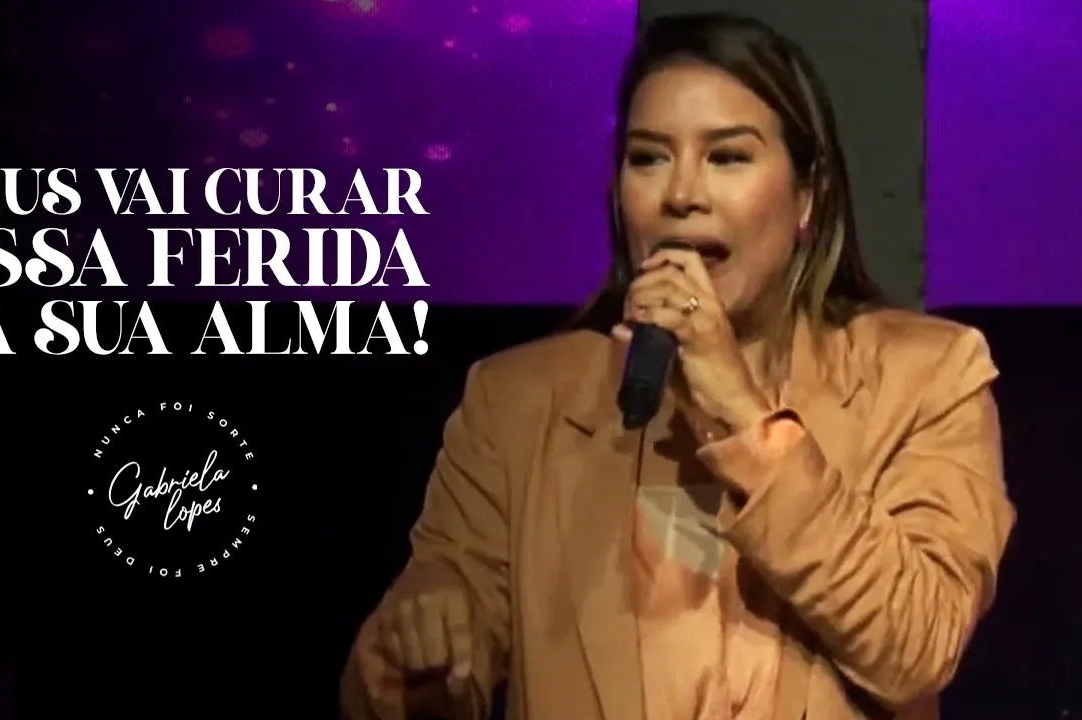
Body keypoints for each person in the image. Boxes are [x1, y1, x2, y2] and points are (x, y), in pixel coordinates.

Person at [339, 12, 1014, 720]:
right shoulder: (517, 402)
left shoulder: (928, 376)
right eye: (648, 158)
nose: (681, 194)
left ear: (807, 195)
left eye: (727, 157)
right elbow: (420, 673)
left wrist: (744, 417)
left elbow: (918, 644)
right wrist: (420, 649)